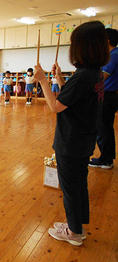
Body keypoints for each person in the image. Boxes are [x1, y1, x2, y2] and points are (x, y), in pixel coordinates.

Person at [34, 21, 109, 246]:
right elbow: (73, 97)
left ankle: (74, 233)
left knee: (70, 188)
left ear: (82, 48)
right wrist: (58, 79)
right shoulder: (93, 74)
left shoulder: (83, 75)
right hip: (84, 139)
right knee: (78, 185)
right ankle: (76, 225)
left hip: (71, 142)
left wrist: (43, 81)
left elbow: (56, 106)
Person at [90, 28, 118, 169]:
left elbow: (101, 77)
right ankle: (107, 158)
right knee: (105, 127)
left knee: (103, 128)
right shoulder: (112, 54)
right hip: (108, 95)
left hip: (107, 96)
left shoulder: (114, 55)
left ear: (106, 41)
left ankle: (106, 160)